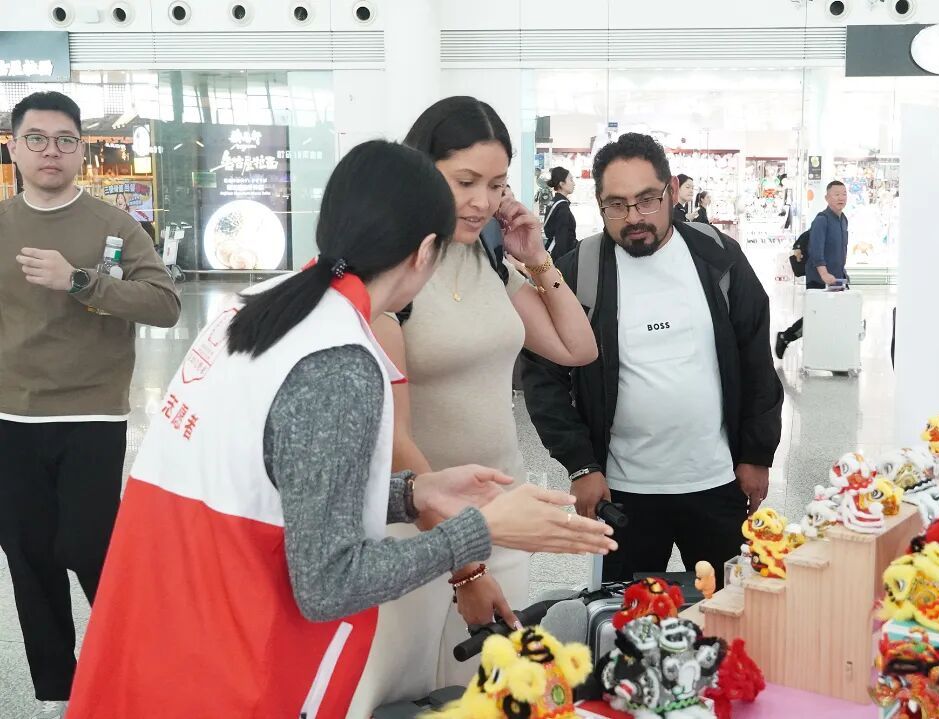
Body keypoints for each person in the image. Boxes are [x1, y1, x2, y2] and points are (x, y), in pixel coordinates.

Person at [65, 140, 616, 719]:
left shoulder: (260, 306)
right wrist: (481, 531)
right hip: (225, 665)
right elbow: (327, 583)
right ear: (424, 252)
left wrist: (412, 493)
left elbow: (278, 482)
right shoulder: (337, 359)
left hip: (161, 630)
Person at [367, 97, 598, 696]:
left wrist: (538, 258)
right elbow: (396, 441)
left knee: (489, 696)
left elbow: (577, 348)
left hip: (503, 514)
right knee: (407, 695)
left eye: (496, 185)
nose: (482, 202)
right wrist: (463, 567)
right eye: (464, 181)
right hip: (415, 529)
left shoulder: (490, 259)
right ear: (421, 172)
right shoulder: (394, 274)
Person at [521, 132, 784, 582]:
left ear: (672, 191)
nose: (633, 217)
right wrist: (581, 464)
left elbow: (755, 358)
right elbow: (542, 375)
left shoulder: (718, 257)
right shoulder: (580, 270)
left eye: (647, 200)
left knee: (728, 607)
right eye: (616, 205)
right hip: (623, 494)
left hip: (717, 481)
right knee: (627, 615)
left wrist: (757, 453)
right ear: (599, 205)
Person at [0, 91, 180, 719]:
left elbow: (165, 305)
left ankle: (133, 668)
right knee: (28, 558)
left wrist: (80, 281)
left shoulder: (115, 225)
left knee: (91, 548)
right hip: (10, 417)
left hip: (91, 415)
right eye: (37, 138)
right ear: (14, 147)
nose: (51, 151)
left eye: (65, 140)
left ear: (81, 149)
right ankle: (58, 689)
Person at [775, 180, 849, 360]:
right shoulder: (821, 220)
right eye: (836, 194)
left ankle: (833, 354)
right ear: (827, 198)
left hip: (837, 277)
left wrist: (842, 273)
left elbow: (840, 249)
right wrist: (824, 273)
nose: (841, 198)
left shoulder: (843, 219)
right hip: (819, 277)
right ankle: (786, 337)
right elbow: (816, 251)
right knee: (816, 315)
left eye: (844, 194)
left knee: (835, 314)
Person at [544, 166, 578, 260]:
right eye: (571, 180)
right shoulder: (562, 207)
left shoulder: (554, 202)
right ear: (562, 184)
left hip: (551, 251)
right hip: (558, 256)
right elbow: (562, 240)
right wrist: (564, 263)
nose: (574, 184)